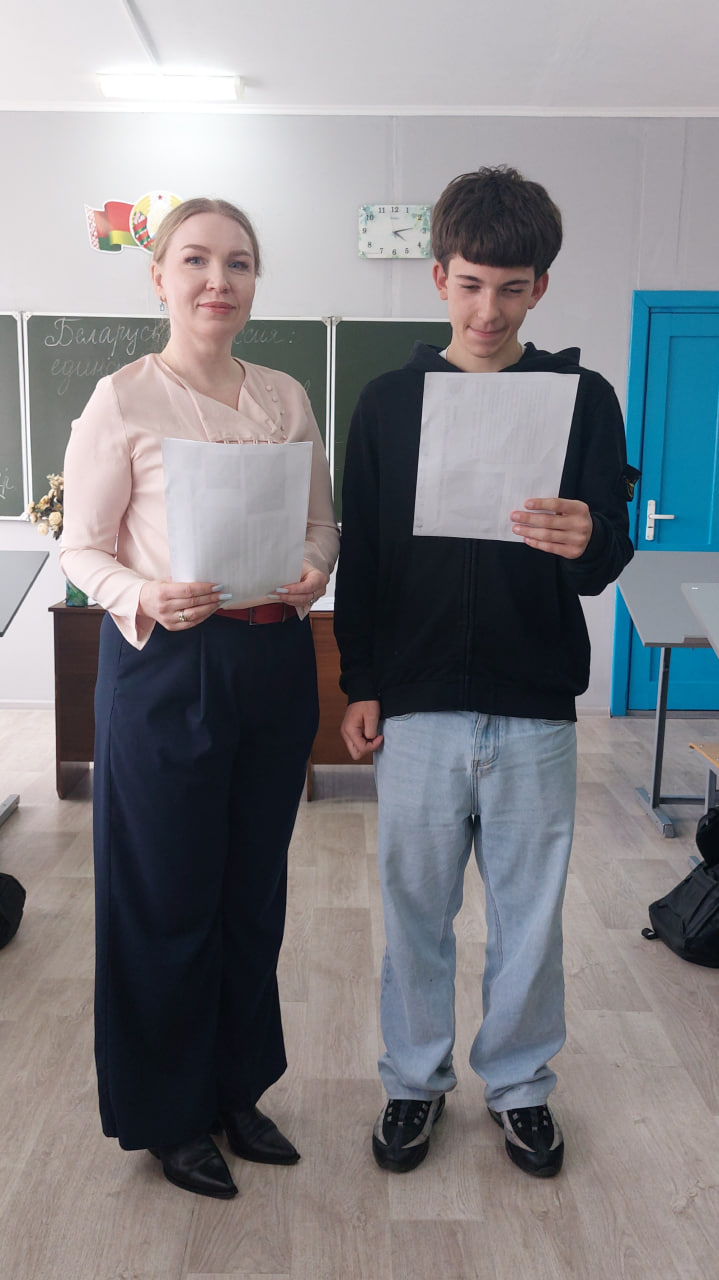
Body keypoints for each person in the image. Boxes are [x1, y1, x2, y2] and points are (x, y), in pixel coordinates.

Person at [333, 166, 636, 1179]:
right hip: (418, 705)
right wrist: (361, 680)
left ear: (540, 286)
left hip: (534, 705)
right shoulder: (386, 403)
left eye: (511, 288)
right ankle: (412, 1081)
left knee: (528, 919)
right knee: (415, 912)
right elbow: (365, 558)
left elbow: (603, 554)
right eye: (469, 284)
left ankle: (519, 1087)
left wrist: (591, 537)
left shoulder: (583, 400)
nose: (488, 310)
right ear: (437, 277)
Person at [60, 197, 339, 1200]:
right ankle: (168, 1113)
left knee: (249, 892)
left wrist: (313, 567)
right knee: (165, 895)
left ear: (256, 280)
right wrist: (144, 594)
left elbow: (321, 525)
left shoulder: (286, 395)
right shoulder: (122, 397)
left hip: (273, 662)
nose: (218, 279)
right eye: (195, 260)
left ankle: (235, 1089)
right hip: (167, 666)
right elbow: (81, 548)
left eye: (239, 262)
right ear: (159, 277)